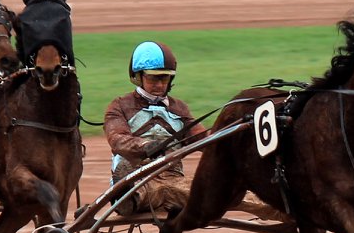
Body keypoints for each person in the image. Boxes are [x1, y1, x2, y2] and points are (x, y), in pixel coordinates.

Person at [102, 40, 279, 220]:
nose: (160, 84)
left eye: (164, 78)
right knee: (152, 190)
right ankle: (125, 194)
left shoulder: (179, 108)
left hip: (174, 180)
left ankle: (282, 210)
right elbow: (117, 140)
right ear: (138, 76)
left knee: (225, 191)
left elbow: (205, 140)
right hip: (137, 176)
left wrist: (235, 138)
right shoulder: (119, 106)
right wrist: (147, 146)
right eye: (153, 78)